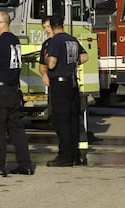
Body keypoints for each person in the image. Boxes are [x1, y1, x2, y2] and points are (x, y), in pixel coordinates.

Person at [0, 11, 35, 177]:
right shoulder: (15, 41)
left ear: (2, 23)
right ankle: (25, 165)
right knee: (17, 129)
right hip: (13, 89)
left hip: (0, 89)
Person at [44, 15, 88, 167]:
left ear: (52, 25)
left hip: (60, 83)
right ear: (62, 24)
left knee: (61, 120)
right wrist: (73, 63)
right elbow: (85, 56)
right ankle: (74, 154)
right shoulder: (72, 39)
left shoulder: (55, 41)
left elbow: (51, 64)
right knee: (72, 120)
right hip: (72, 83)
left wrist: (49, 60)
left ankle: (64, 156)